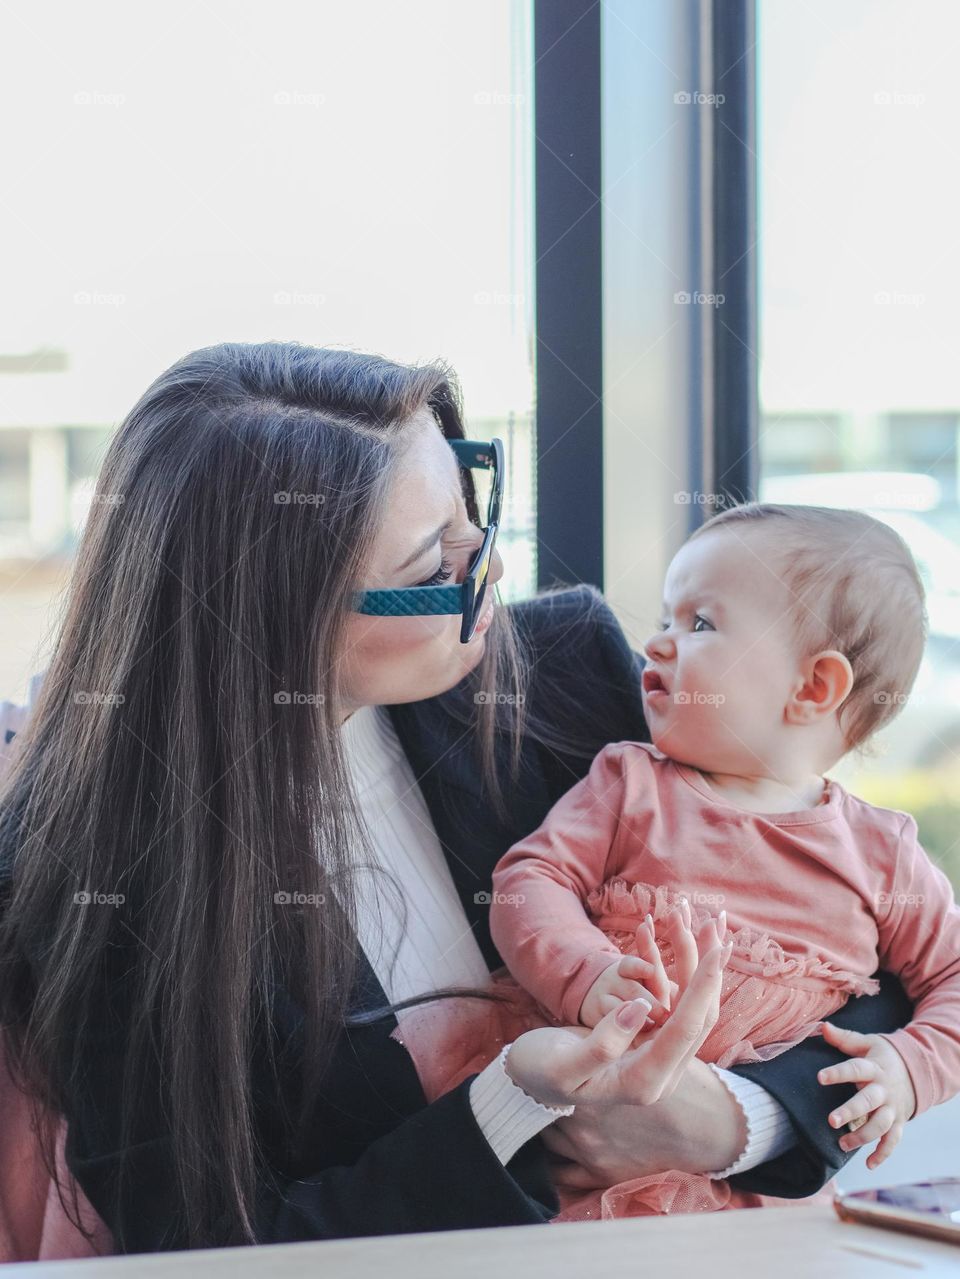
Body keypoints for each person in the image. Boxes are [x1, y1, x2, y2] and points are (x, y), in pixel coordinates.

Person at [0, 343, 913, 1254]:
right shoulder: (95, 868)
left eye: (470, 508)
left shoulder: (565, 670)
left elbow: (862, 939)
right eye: (433, 561)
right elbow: (210, 1242)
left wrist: (739, 1120)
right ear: (283, 615)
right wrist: (516, 1112)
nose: (490, 566)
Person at [395, 502, 959, 1221]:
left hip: (751, 1197)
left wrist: (912, 1068)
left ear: (814, 687)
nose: (657, 644)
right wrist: (588, 971)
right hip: (565, 1142)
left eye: (699, 624)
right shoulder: (629, 782)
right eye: (665, 617)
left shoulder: (881, 853)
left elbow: (950, 976)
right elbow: (529, 880)